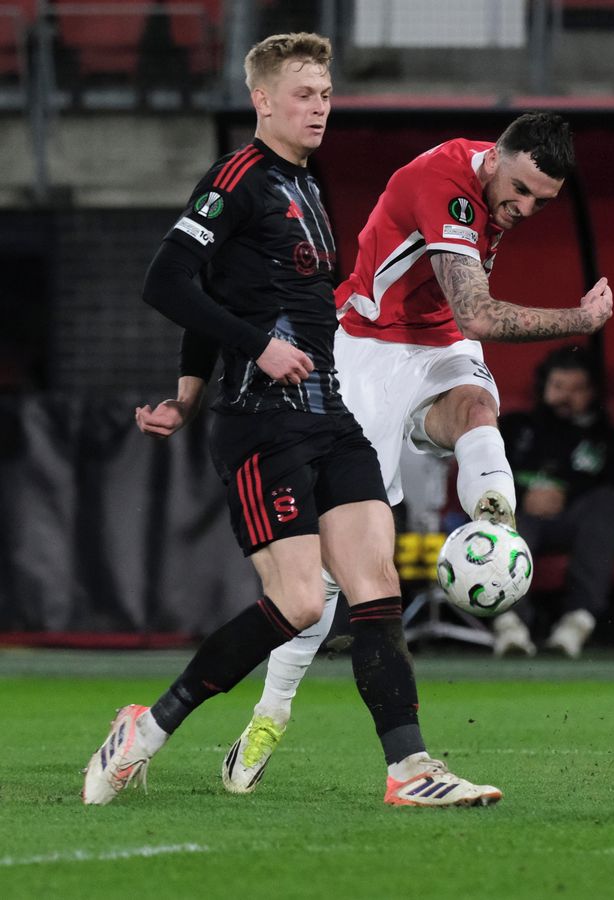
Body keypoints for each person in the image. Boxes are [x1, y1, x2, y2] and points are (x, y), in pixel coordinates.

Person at [82, 33, 500, 809]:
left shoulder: (306, 185)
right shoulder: (236, 178)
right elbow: (168, 280)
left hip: (328, 415)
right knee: (302, 603)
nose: (319, 108)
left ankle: (410, 770)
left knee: (375, 587)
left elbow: (213, 292)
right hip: (259, 422)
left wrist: (186, 392)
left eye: (326, 95)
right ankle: (147, 726)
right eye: (303, 95)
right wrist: (244, 359)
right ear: (263, 100)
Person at [219, 111, 614, 792]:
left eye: (542, 202)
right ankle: (270, 713)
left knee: (478, 409)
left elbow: (461, 324)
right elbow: (478, 313)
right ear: (495, 158)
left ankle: (494, 527)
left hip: (437, 345)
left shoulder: (499, 180)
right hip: (367, 348)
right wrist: (582, 320)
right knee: (334, 569)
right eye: (520, 190)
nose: (525, 209)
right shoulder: (446, 185)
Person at [492, 345, 614, 658]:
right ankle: (510, 624)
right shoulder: (514, 429)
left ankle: (577, 622)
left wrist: (565, 496)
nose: (565, 397)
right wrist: (523, 496)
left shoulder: (607, 440)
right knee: (501, 510)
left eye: (577, 389)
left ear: (592, 392)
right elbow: (483, 475)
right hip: (523, 515)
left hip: (576, 521)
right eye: (558, 387)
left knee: (608, 503)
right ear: (543, 387)